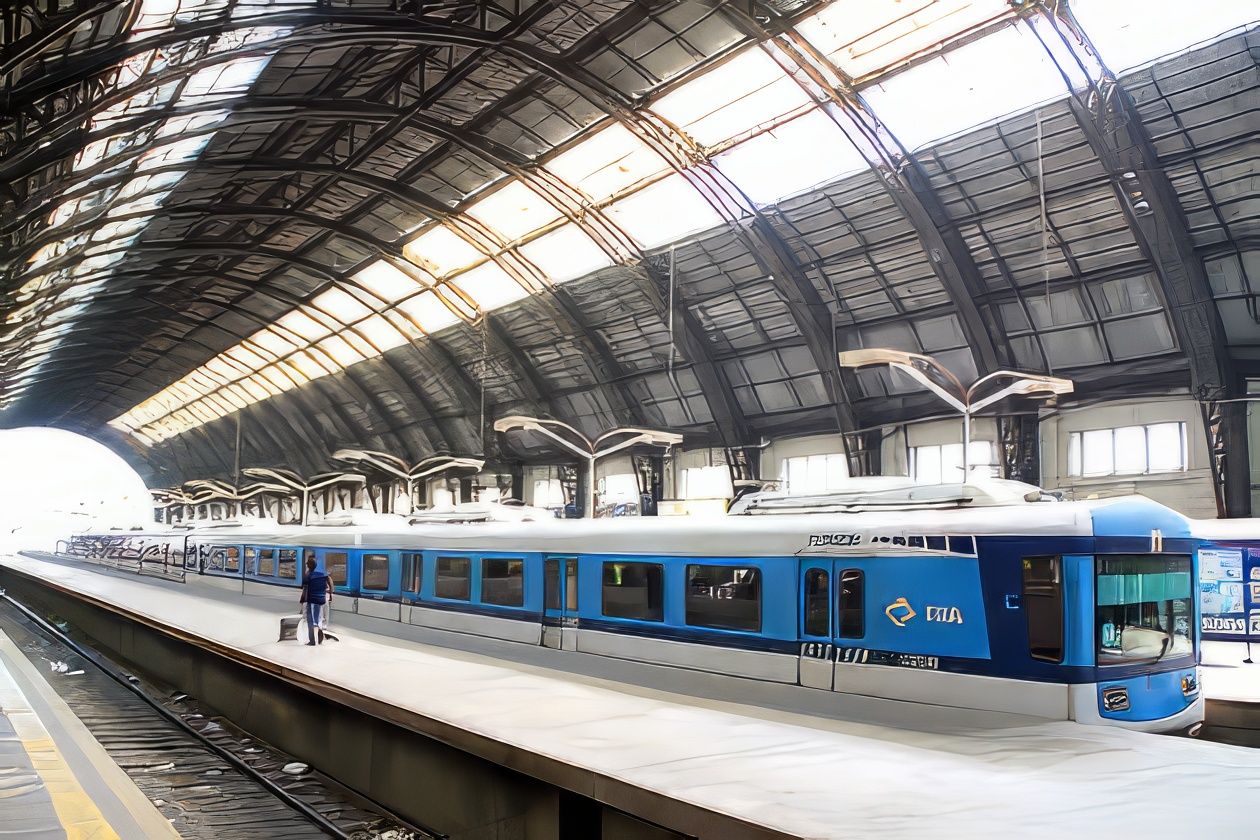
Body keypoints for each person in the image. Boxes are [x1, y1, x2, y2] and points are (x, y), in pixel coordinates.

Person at [299, 553, 331, 646]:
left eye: (307, 563)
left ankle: (312, 641)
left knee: (310, 620)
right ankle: (320, 632)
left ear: (309, 565)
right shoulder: (321, 574)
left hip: (312, 600)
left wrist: (302, 600)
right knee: (319, 617)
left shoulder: (308, 575)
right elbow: (328, 584)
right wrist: (331, 594)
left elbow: (304, 589)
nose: (306, 564)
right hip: (321, 600)